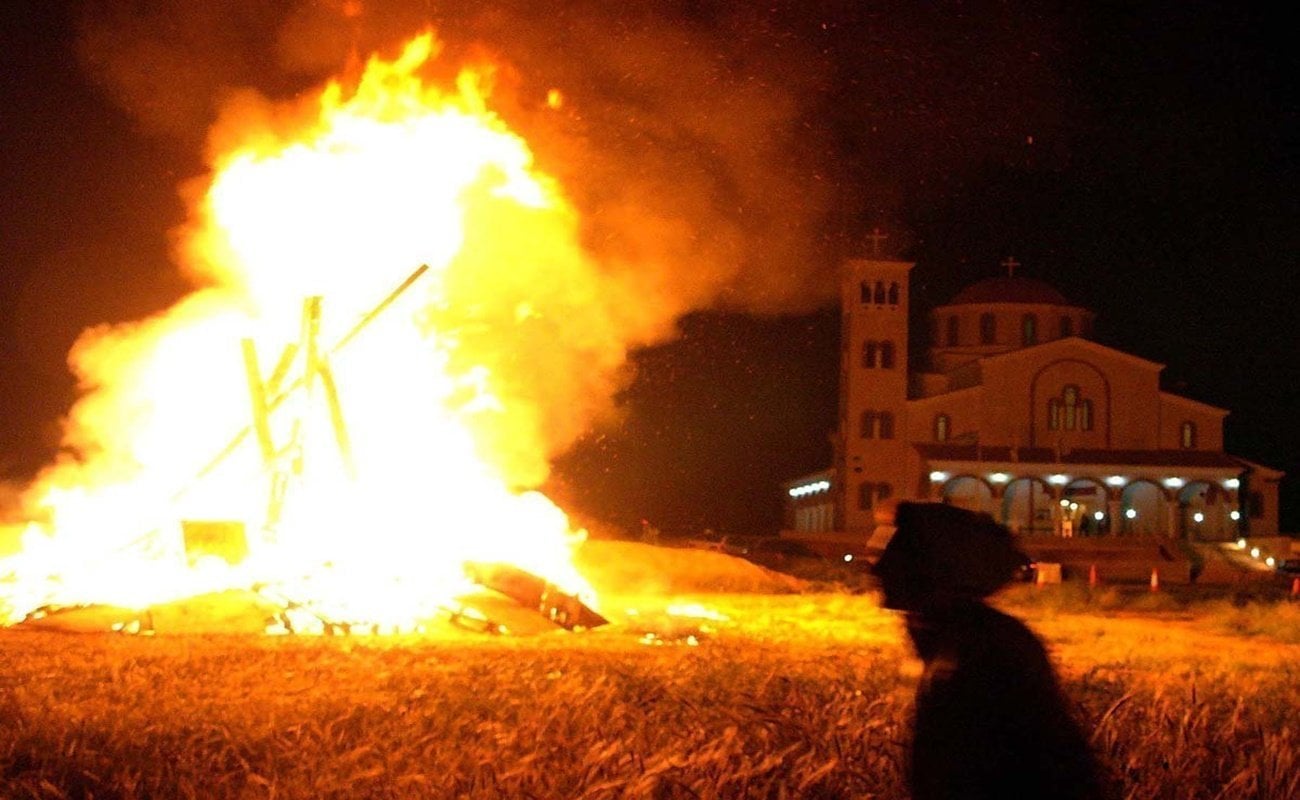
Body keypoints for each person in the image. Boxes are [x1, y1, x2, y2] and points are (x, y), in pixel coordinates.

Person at [873, 501, 1112, 799]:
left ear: (935, 568)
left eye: (897, 553)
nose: (879, 566)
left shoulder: (985, 647)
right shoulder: (948, 636)